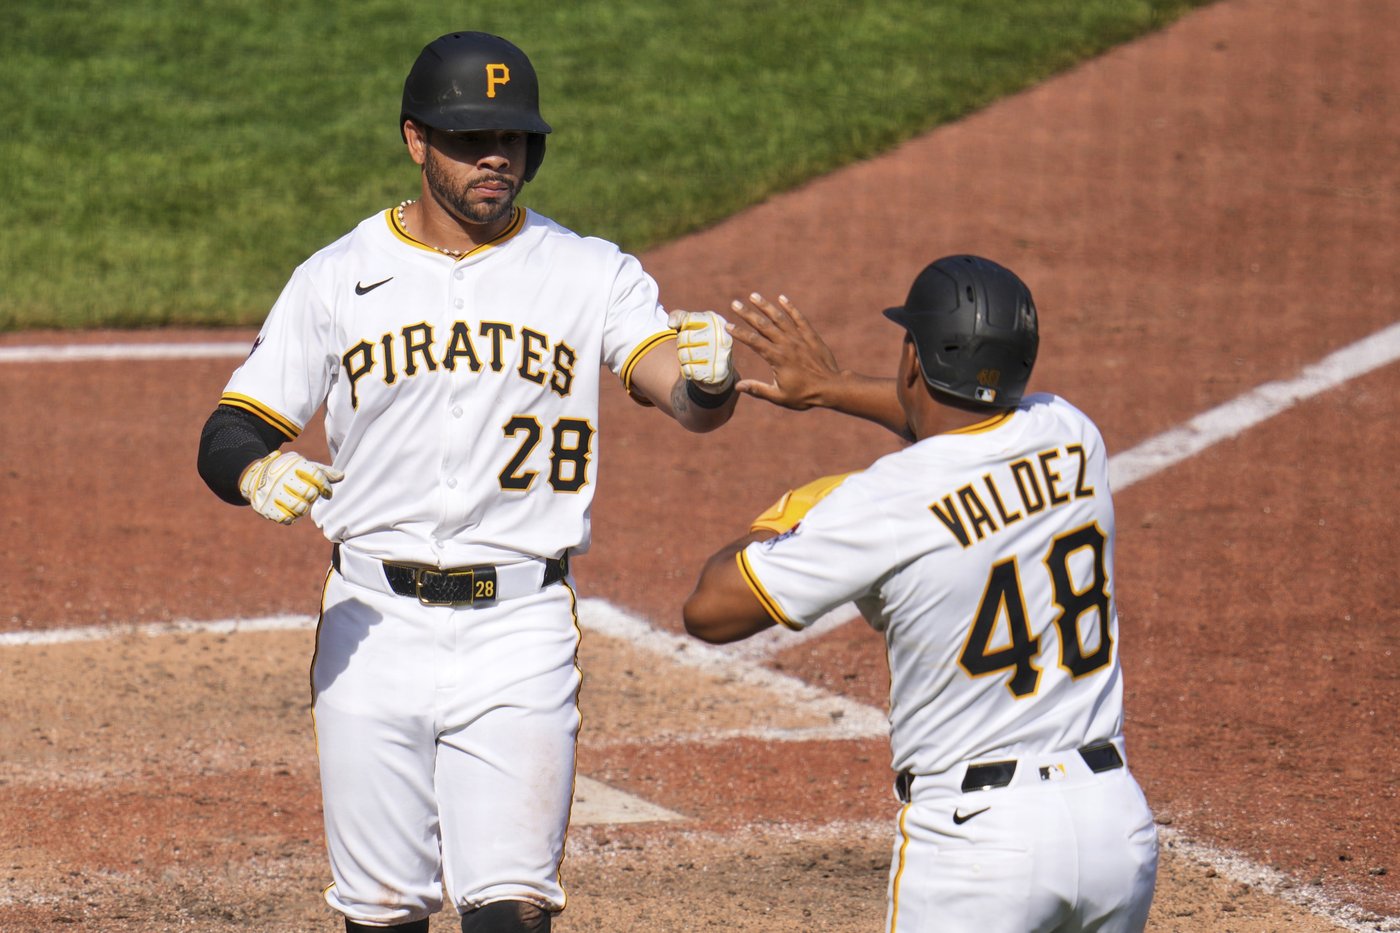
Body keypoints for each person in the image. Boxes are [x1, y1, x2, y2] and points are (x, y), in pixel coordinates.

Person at [196, 31, 738, 933]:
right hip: (372, 629)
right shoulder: (336, 277)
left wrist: (707, 383)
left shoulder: (588, 271)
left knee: (510, 914)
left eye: (515, 140)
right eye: (469, 139)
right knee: (381, 915)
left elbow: (675, 394)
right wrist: (255, 470)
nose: (497, 158)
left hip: (519, 628)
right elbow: (231, 426)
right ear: (415, 140)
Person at [683, 255, 1158, 932]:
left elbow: (710, 609)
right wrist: (833, 388)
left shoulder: (880, 503)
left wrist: (789, 518)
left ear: (912, 359)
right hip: (1115, 828)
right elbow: (963, 426)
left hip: (979, 852)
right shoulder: (1072, 434)